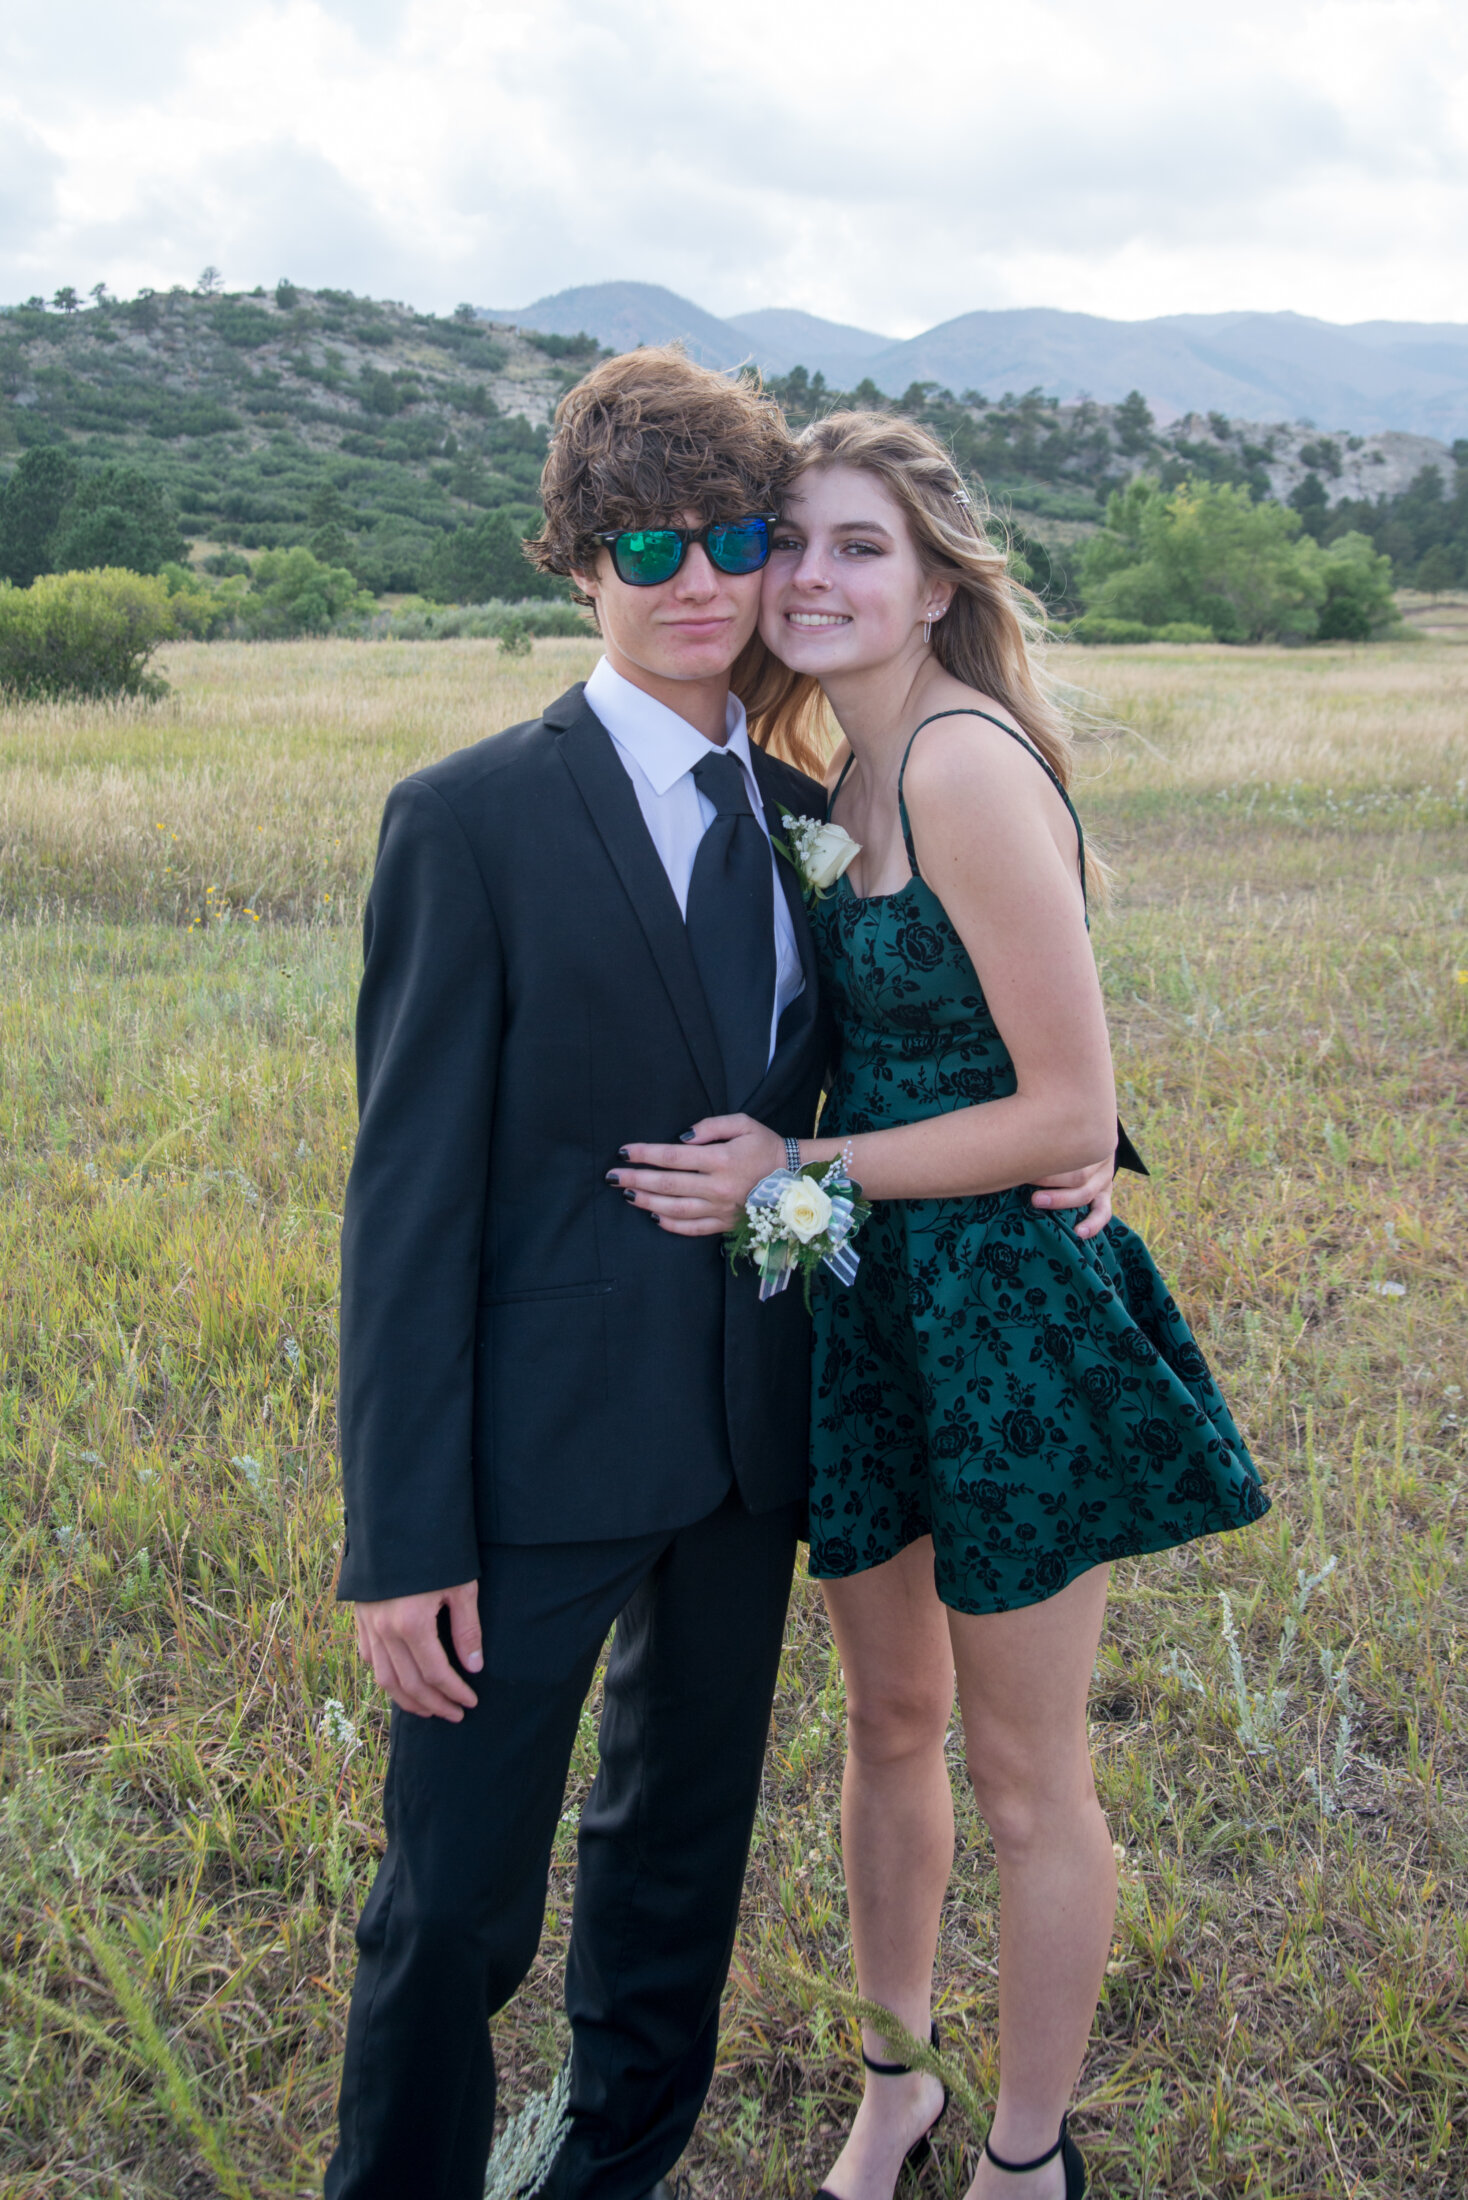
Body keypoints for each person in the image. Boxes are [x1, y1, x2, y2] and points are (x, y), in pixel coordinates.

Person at [614, 412, 1269, 2200]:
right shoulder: (838, 778)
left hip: (1005, 1323)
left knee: (1024, 1774)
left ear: (932, 584)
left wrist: (801, 1169)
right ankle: (892, 2084)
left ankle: (1027, 2151)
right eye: (793, 542)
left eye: (862, 547)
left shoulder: (964, 765)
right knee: (888, 1724)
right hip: (879, 1308)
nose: (813, 577)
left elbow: (1069, 1117)